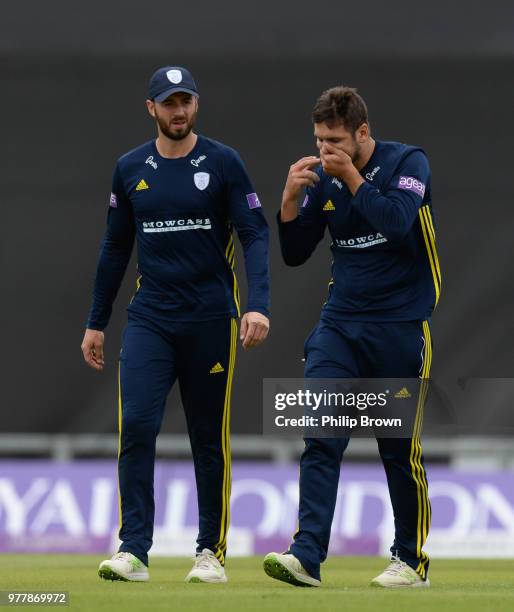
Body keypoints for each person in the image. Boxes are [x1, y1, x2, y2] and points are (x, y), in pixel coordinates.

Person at [81, 65, 270, 583]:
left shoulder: (224, 162)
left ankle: (210, 551)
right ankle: (133, 550)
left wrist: (258, 304)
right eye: (169, 103)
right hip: (151, 319)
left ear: (196, 105)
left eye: (186, 101)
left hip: (210, 319)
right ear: (152, 109)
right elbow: (115, 247)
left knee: (207, 438)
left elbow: (254, 233)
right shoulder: (130, 168)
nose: (178, 111)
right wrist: (96, 321)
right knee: (137, 427)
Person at [264, 86, 441, 588]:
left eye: (336, 140)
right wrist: (289, 201)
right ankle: (307, 557)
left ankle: (410, 560)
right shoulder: (326, 176)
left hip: (400, 328)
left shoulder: (408, 162)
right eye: (320, 140)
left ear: (363, 132)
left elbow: (398, 222)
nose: (326, 151)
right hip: (339, 328)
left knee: (397, 447)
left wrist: (353, 178)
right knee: (321, 436)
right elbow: (297, 253)